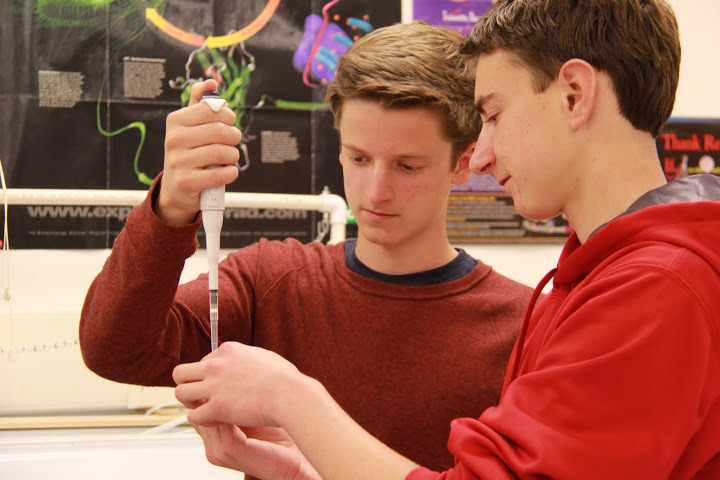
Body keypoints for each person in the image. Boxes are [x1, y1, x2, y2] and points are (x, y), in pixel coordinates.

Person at [172, 0, 720, 479]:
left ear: (574, 95)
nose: (481, 154)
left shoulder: (656, 289)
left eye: (494, 115)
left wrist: (291, 398)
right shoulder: (604, 276)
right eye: (359, 158)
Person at [79, 21, 536, 474]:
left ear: (463, 162)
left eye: (407, 166)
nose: (375, 191)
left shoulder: (522, 325)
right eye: (358, 158)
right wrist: (172, 205)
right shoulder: (270, 282)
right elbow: (116, 350)